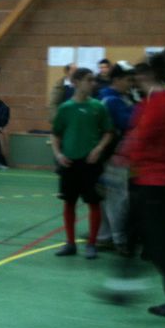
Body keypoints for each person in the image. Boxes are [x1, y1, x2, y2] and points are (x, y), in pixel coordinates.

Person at [117, 53, 165, 318]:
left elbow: (141, 138)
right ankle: (124, 286)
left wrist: (124, 156)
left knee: (160, 246)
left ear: (147, 76)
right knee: (132, 232)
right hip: (153, 182)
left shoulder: (160, 104)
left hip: (155, 185)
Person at [51, 67, 114, 259]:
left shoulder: (98, 107)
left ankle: (92, 244)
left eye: (93, 80)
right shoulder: (65, 108)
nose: (92, 83)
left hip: (90, 164)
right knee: (69, 203)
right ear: (76, 82)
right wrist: (59, 154)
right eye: (88, 79)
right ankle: (70, 243)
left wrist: (98, 149)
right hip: (69, 163)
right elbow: (55, 134)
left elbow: (109, 132)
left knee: (93, 203)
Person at [95, 61, 136, 252]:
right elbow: (129, 122)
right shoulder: (112, 100)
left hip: (111, 157)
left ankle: (105, 237)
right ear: (117, 79)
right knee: (117, 200)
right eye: (128, 80)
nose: (131, 84)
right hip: (113, 157)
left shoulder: (116, 97)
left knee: (107, 199)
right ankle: (120, 240)